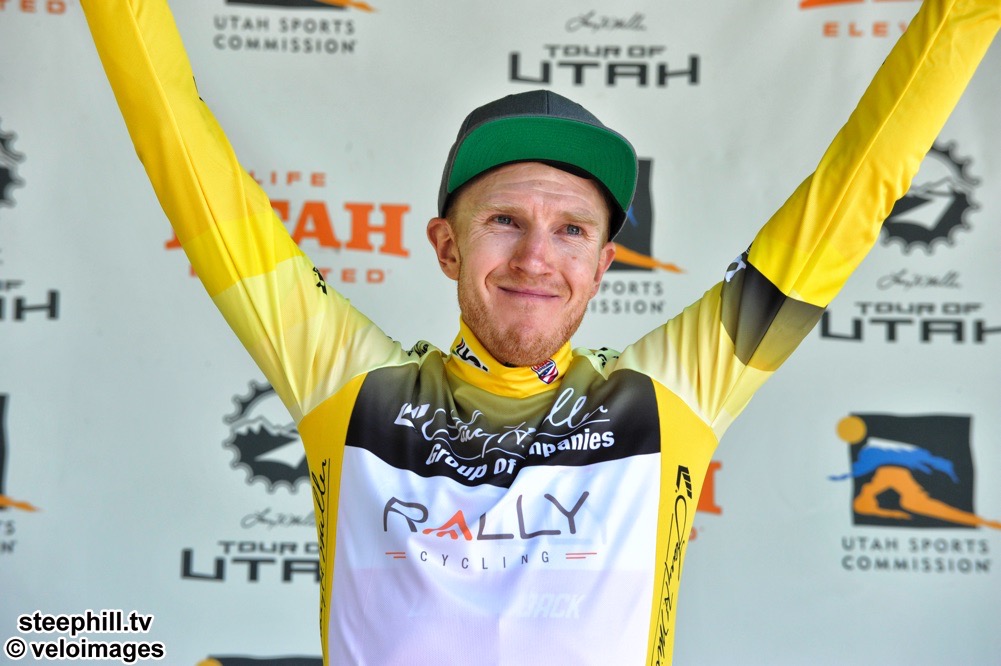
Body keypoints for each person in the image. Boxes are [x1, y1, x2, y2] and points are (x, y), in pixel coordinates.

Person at [81, 0, 1000, 663]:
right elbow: (186, 159)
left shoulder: (669, 393)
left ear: (603, 265)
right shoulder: (349, 387)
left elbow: (850, 196)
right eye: (503, 221)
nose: (535, 257)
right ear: (446, 245)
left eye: (570, 231)